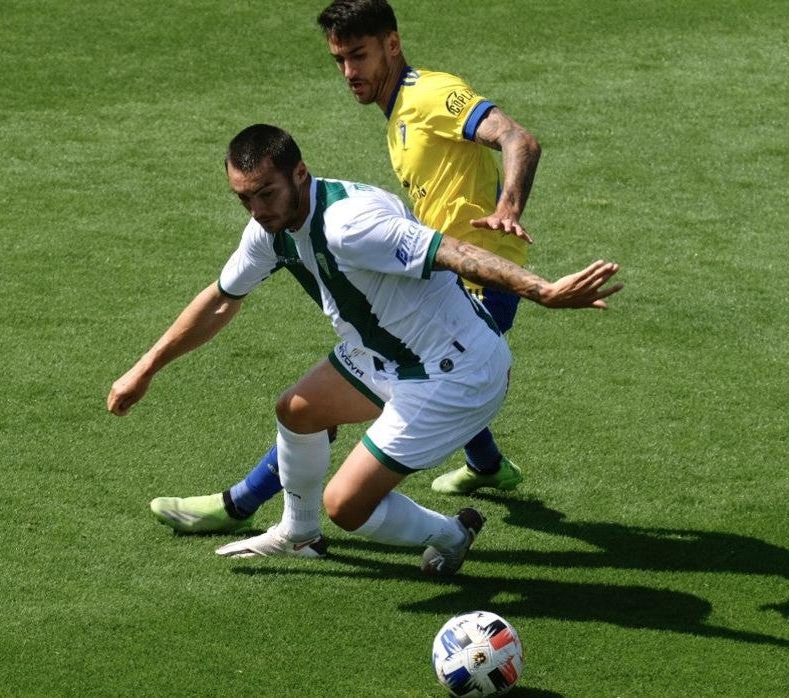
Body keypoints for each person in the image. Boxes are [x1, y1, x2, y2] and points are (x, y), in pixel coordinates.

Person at [109, 125, 620, 574]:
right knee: (297, 411)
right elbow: (222, 300)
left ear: (300, 174)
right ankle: (298, 535)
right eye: (245, 199)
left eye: (266, 194)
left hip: (455, 372)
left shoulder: (351, 225)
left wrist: (542, 291)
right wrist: (146, 368)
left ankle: (452, 534)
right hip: (388, 356)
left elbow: (455, 252)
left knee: (347, 507)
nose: (257, 211)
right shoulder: (271, 229)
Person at [151, 0, 547, 534]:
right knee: (414, 367)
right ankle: (487, 463)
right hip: (437, 271)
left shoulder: (430, 95)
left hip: (479, 276)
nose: (348, 72)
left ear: (392, 44)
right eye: (338, 59)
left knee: (410, 371)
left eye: (358, 55)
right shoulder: (398, 114)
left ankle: (241, 503)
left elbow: (518, 138)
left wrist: (508, 209)